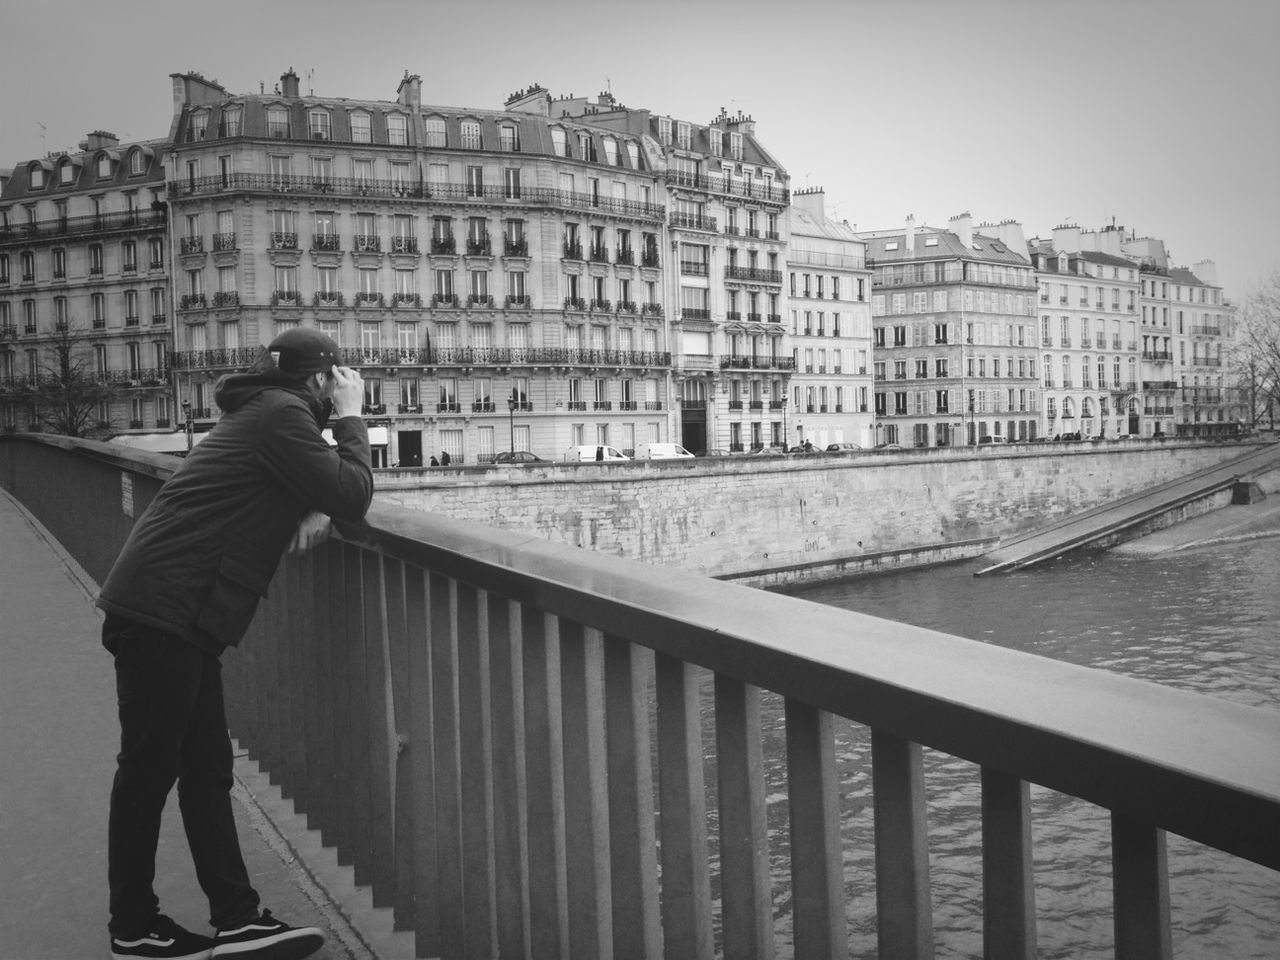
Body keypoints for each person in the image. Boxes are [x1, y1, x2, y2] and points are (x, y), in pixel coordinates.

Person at [96, 328, 372, 960]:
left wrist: (313, 504)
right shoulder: (283, 413)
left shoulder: (268, 411)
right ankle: (134, 924)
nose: (344, 387)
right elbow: (352, 493)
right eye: (340, 379)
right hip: (165, 610)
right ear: (321, 381)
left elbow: (317, 488)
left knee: (204, 770)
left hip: (173, 611)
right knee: (148, 772)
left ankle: (237, 916)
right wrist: (352, 423)